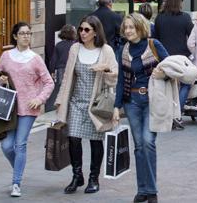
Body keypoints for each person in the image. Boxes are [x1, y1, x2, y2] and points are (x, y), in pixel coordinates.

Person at [55, 16, 118, 195]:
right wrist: (60, 101)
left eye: (87, 30)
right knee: (73, 138)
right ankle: (77, 176)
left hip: (96, 104)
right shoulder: (75, 48)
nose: (82, 33)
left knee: (95, 141)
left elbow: (115, 76)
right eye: (81, 29)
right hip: (76, 101)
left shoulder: (106, 51)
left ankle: (93, 178)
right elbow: (67, 76)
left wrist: (105, 70)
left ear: (95, 32)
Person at [114, 13, 169, 203]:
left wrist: (161, 72)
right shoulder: (123, 49)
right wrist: (116, 107)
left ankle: (152, 190)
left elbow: (171, 67)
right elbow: (121, 80)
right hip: (132, 102)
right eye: (126, 27)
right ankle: (142, 189)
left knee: (147, 142)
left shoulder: (154, 45)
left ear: (140, 28)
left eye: (132, 27)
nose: (128, 30)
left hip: (152, 100)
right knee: (138, 146)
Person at [0, 22, 55, 197]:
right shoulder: (6, 56)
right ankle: (18, 168)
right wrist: (2, 81)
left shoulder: (35, 58)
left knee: (20, 144)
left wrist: (39, 99)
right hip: (9, 108)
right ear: (15, 36)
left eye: (28, 33)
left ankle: (16, 182)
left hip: (28, 108)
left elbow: (49, 82)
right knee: (7, 146)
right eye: (22, 33)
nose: (26, 36)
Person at [153, 0, 194, 130]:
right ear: (179, 2)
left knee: (167, 87)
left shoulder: (159, 18)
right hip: (181, 57)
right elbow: (192, 36)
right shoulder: (185, 18)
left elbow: (155, 38)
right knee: (186, 84)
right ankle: (176, 115)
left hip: (164, 57)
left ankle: (168, 114)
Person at [47, 24, 77, 112]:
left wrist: (51, 71)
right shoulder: (75, 45)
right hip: (71, 68)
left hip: (60, 69)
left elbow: (53, 60)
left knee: (61, 89)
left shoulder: (58, 45)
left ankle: (61, 107)